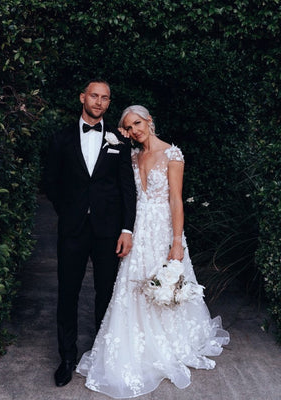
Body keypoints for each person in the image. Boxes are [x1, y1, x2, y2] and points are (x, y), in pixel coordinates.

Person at [76, 105, 230, 398]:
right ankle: (137, 340)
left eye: (137, 123)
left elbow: (176, 200)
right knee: (133, 287)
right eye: (128, 127)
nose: (134, 130)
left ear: (149, 121)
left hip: (162, 230)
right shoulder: (131, 155)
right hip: (137, 229)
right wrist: (119, 140)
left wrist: (176, 241)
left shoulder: (173, 155)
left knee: (166, 284)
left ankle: (170, 340)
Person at [43, 80, 136, 387]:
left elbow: (127, 189)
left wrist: (126, 229)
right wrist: (69, 210)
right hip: (72, 230)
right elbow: (50, 183)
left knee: (106, 294)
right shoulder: (60, 139)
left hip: (109, 232)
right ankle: (67, 358)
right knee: (68, 293)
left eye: (105, 98)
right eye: (94, 96)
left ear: (109, 104)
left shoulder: (120, 142)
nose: (99, 102)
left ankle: (102, 355)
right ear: (82, 97)